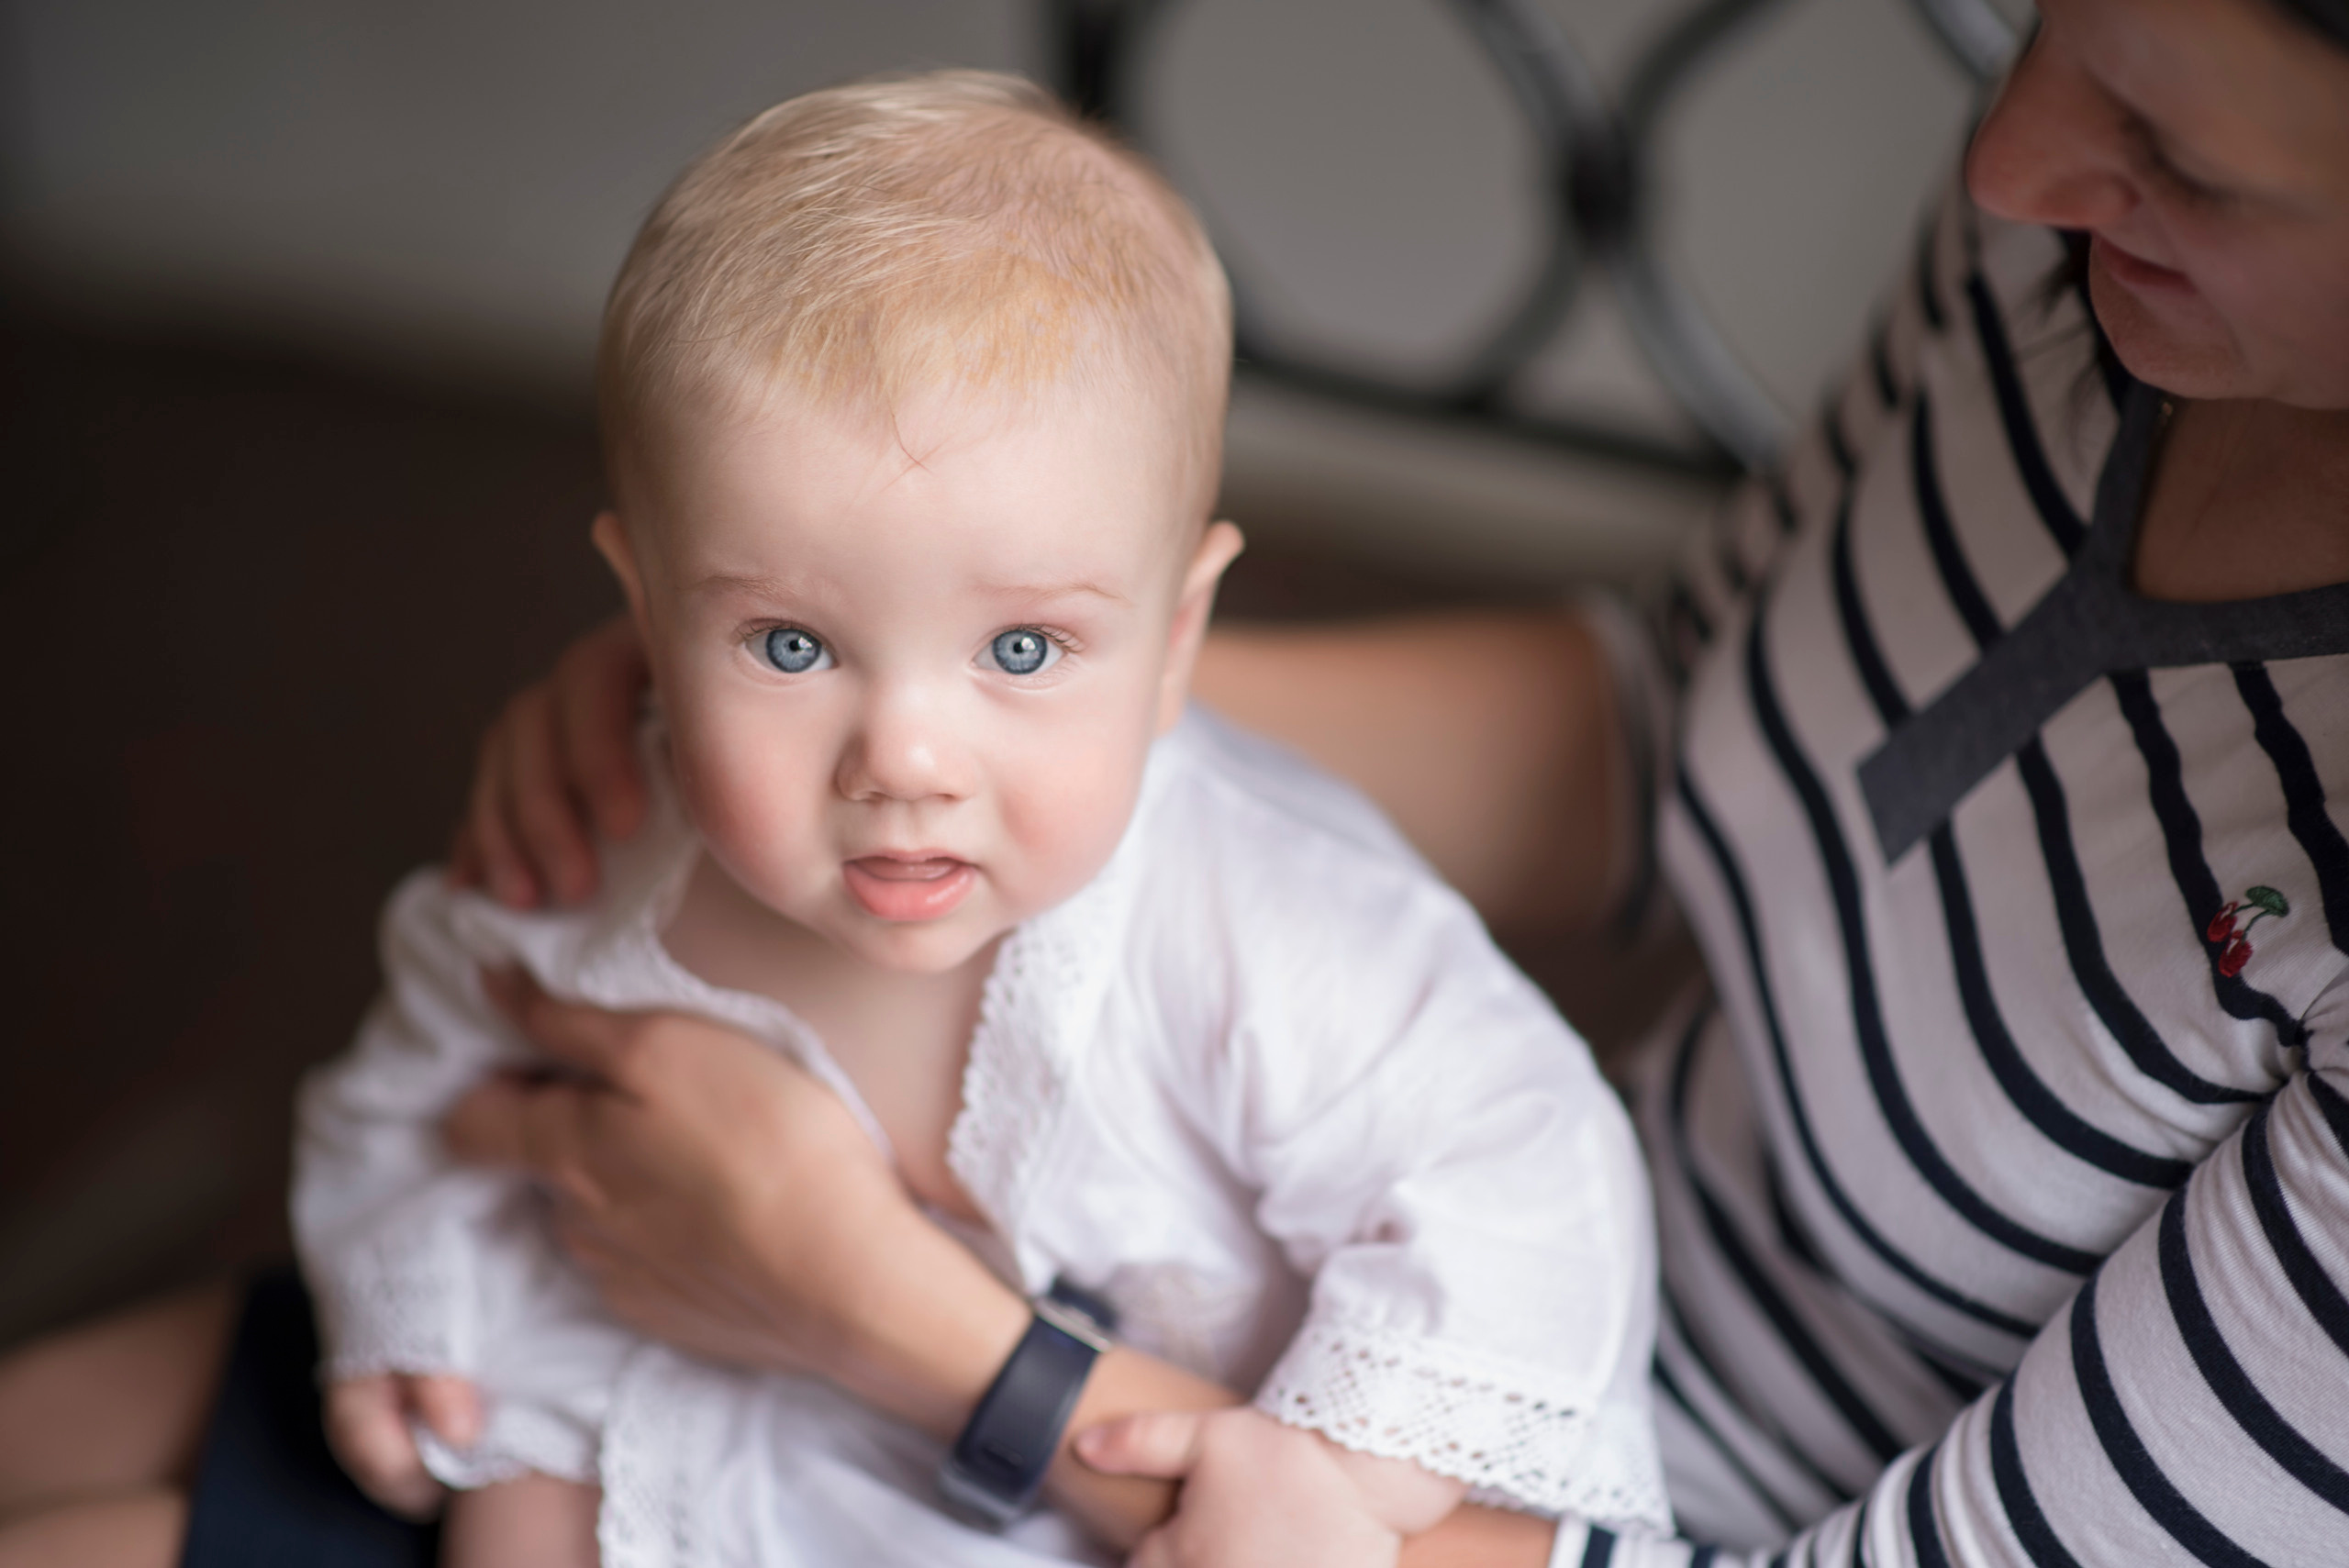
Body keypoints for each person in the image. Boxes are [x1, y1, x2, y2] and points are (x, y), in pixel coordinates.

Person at [0, 0, 2343, 1562]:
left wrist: (898, 1321)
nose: (2019, 155)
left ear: (1186, 614)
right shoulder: (2053, 252)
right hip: (639, 1374)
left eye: (2174, 155)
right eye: (2045, 24)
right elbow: (1694, 710)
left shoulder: (1316, 995)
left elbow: (1478, 1237)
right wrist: (805, 660)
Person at [301, 68, 1664, 1568]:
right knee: (504, 1492)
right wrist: (411, 1300)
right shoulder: (600, 862)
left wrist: (1341, 1465)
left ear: (1178, 640)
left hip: (1082, 1514)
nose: (904, 759)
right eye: (791, 645)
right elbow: (419, 1082)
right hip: (712, 1453)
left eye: (1020, 651)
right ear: (644, 609)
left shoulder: (1265, 923)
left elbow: (1524, 1165)